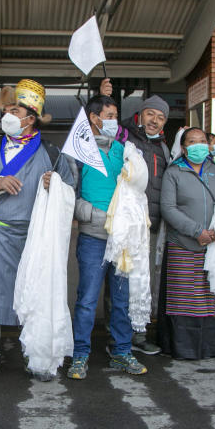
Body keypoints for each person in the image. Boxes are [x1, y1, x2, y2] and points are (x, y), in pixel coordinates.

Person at [0, 79, 75, 385]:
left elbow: (71, 191)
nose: (9, 115)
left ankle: (34, 353)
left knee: (36, 294)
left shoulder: (52, 153)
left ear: (32, 116)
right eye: (7, 109)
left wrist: (58, 187)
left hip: (36, 238)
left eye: (15, 110)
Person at [68, 94, 147, 380]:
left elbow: (137, 189)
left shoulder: (124, 151)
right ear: (94, 118)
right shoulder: (77, 152)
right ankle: (80, 355)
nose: (114, 121)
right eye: (109, 116)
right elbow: (68, 196)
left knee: (121, 299)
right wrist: (92, 215)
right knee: (87, 299)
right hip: (92, 237)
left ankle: (122, 351)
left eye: (115, 116)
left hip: (122, 239)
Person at [103, 82, 170, 356]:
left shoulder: (165, 149)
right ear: (140, 115)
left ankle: (138, 334)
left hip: (150, 224)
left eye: (161, 117)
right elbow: (99, 124)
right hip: (124, 222)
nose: (154, 121)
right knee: (119, 278)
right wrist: (104, 97)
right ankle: (115, 335)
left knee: (144, 280)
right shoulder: (124, 137)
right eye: (150, 114)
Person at [157, 128, 215, 359]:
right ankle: (184, 348)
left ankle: (213, 347)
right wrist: (196, 231)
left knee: (213, 298)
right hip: (183, 245)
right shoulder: (174, 173)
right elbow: (168, 208)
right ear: (183, 148)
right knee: (185, 299)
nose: (199, 145)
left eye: (202, 141)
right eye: (192, 141)